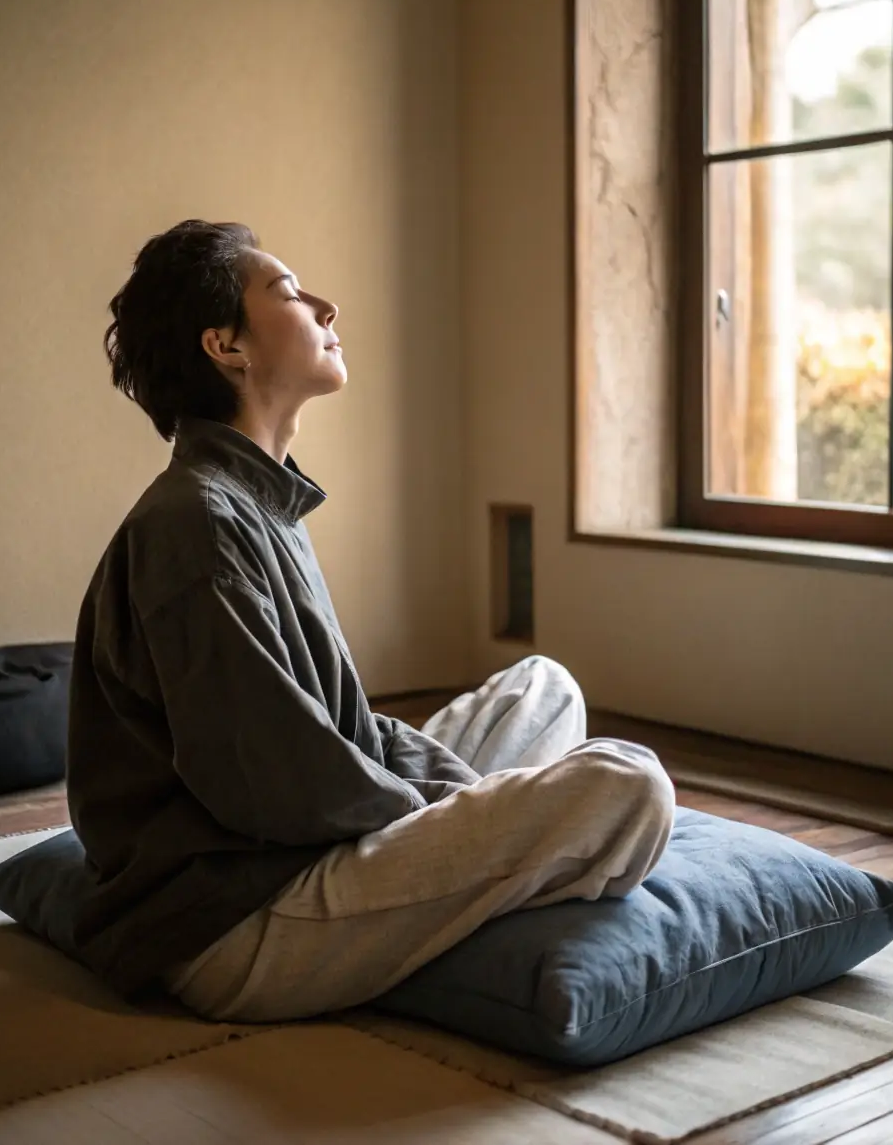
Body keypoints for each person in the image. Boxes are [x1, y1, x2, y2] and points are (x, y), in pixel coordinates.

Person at [67, 218, 676, 1021]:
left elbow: (340, 728)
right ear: (226, 347)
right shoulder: (196, 524)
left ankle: (483, 868)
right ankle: (493, 870)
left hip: (305, 844)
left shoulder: (258, 502)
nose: (327, 305)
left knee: (544, 688)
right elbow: (270, 781)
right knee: (629, 786)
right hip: (237, 915)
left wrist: (456, 795)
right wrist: (446, 814)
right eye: (286, 291)